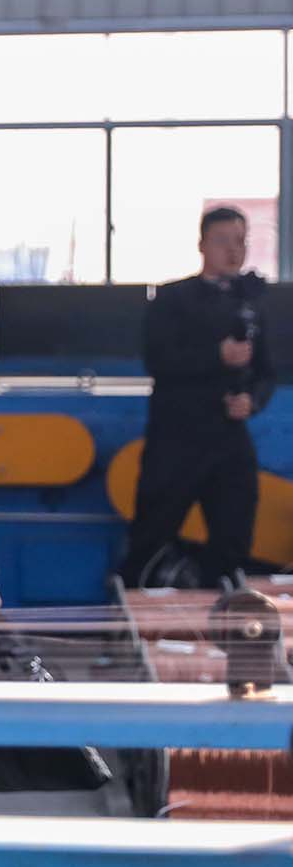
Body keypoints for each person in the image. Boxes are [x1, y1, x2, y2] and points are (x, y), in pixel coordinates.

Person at [121, 205, 275, 588]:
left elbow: (267, 373)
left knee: (234, 538)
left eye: (240, 241)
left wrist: (251, 401)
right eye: (222, 241)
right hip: (176, 440)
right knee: (150, 538)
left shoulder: (252, 303)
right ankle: (132, 610)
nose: (233, 250)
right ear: (202, 245)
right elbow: (158, 360)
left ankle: (222, 614)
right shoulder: (172, 299)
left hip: (230, 441)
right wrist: (216, 355)